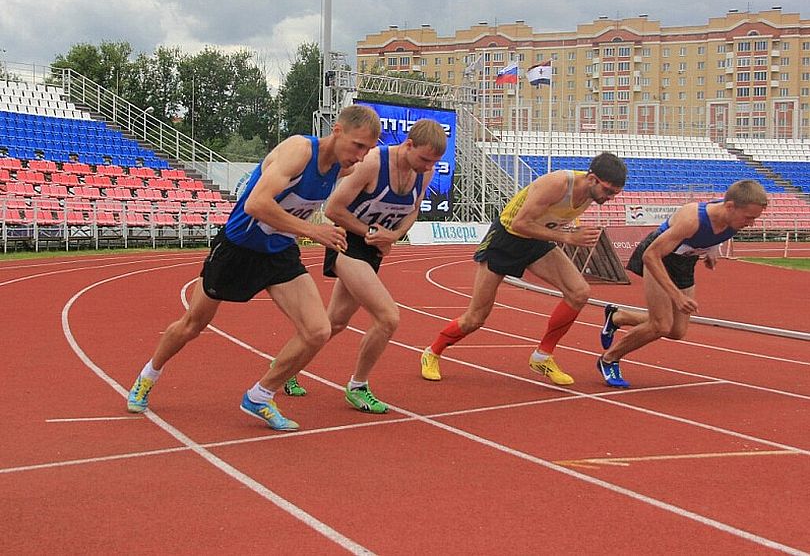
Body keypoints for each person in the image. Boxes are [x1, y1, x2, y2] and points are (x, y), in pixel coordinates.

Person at [125, 104, 381, 431]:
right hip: (238, 247)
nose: (360, 156)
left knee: (318, 330)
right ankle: (149, 375)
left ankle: (260, 396)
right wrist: (313, 231)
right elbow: (256, 204)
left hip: (279, 253)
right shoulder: (299, 151)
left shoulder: (341, 168)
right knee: (192, 325)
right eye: (358, 146)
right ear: (337, 131)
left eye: (368, 150)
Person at [282, 119, 447, 413]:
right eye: (423, 159)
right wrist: (371, 232)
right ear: (408, 145)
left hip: (374, 248)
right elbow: (333, 208)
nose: (426, 167)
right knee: (388, 318)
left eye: (433, 162)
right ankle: (358, 386)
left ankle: (285, 366)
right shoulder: (374, 162)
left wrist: (394, 235)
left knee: (333, 323)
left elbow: (414, 210)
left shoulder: (424, 172)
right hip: (347, 242)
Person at [421, 152, 627, 384]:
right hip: (507, 239)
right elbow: (520, 223)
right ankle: (432, 352)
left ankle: (542, 356)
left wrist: (566, 235)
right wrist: (567, 237)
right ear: (592, 179)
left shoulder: (592, 193)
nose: (609, 198)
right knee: (475, 318)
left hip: (536, 241)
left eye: (614, 194)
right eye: (608, 191)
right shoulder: (558, 184)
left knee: (579, 292)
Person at [597, 179, 768, 388]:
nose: (751, 223)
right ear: (730, 206)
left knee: (677, 331)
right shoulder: (692, 219)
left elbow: (717, 231)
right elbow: (651, 256)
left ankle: (618, 316)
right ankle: (609, 359)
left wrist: (712, 249)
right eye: (749, 217)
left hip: (684, 263)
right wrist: (676, 296)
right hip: (658, 258)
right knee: (660, 325)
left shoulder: (733, 217)